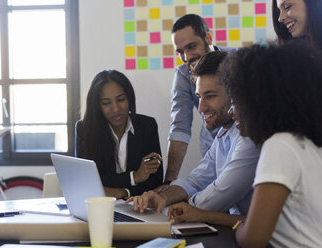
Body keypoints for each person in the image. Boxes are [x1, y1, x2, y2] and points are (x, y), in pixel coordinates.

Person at [169, 42, 322, 247]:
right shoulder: (301, 141)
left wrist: (212, 217)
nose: (231, 111)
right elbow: (261, 225)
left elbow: (252, 238)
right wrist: (203, 214)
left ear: (262, 101)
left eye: (237, 101)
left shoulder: (279, 147)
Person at [127, 51, 260, 216]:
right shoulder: (224, 133)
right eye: (199, 97)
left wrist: (179, 203)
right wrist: (163, 197)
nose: (201, 108)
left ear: (235, 94)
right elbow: (196, 181)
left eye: (210, 96)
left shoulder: (249, 137)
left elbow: (216, 198)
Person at [272, 0, 322, 197]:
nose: (280, 17)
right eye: (279, 10)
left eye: (287, 7)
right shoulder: (296, 55)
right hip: (319, 179)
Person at [164, 14, 232, 187]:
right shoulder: (182, 74)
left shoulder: (237, 61)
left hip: (244, 145)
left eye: (191, 47)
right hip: (212, 151)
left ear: (208, 38)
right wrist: (169, 182)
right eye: (180, 52)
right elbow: (180, 126)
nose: (187, 57)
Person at [75, 70, 163, 199]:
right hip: (99, 206)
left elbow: (155, 180)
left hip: (138, 206)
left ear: (129, 98)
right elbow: (87, 181)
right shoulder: (84, 129)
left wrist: (123, 192)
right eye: (106, 103)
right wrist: (135, 177)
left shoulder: (147, 126)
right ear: (97, 105)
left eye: (121, 99)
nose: (115, 109)